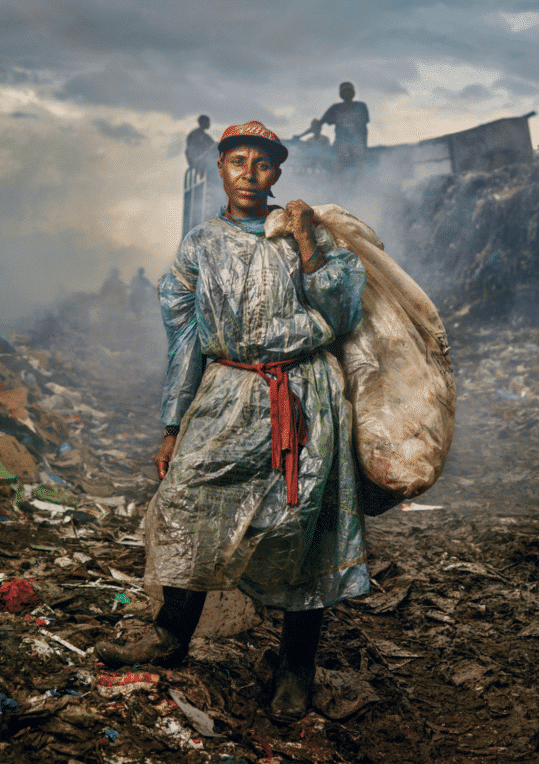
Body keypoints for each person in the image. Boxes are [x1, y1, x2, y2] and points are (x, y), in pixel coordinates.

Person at [94, 120, 369, 721]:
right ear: (219, 168)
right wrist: (173, 425)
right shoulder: (200, 244)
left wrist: (305, 240)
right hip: (226, 389)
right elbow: (185, 337)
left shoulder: (305, 233)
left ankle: (295, 667)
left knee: (302, 526)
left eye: (262, 163)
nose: (249, 173)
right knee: (190, 501)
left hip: (301, 394)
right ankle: (171, 635)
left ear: (277, 173)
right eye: (237, 161)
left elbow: (345, 312)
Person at [317, 82, 369, 170]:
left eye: (349, 91)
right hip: (341, 141)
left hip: (358, 142)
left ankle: (358, 180)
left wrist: (365, 144)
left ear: (353, 93)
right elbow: (321, 122)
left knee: (358, 160)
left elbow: (364, 127)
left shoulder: (361, 106)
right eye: (345, 92)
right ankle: (342, 179)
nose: (347, 94)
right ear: (341, 94)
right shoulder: (336, 108)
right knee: (343, 156)